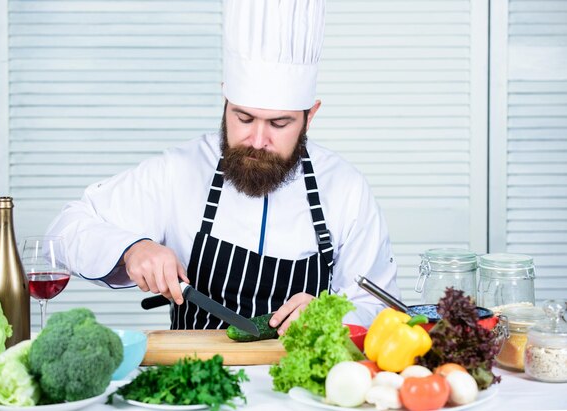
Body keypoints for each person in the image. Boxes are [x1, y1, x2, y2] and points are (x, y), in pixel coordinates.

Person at [46, 0, 399, 332]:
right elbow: (64, 232)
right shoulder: (178, 171)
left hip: (302, 393)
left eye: (279, 124)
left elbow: (380, 307)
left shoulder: (346, 188)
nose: (257, 140)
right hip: (195, 384)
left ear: (310, 117)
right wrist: (132, 248)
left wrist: (330, 315)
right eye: (243, 118)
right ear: (225, 101)